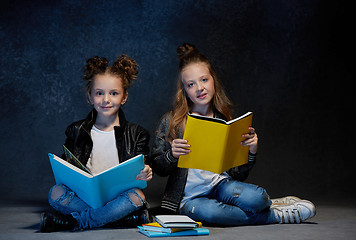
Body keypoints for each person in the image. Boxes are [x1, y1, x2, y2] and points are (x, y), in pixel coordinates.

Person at [150, 43, 316, 226]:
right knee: (212, 214)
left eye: (204, 80)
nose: (199, 88)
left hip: (221, 185)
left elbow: (237, 174)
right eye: (191, 84)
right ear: (184, 91)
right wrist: (172, 155)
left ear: (213, 80)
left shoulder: (224, 119)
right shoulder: (172, 120)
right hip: (190, 198)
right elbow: (158, 166)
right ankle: (275, 216)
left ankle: (265, 204)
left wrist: (251, 151)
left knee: (258, 197)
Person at [40, 55, 153, 232]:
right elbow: (66, 167)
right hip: (85, 196)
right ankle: (114, 219)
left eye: (113, 93)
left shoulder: (137, 133)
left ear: (124, 97)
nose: (106, 99)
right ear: (90, 97)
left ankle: (78, 222)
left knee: (137, 196)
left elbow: (144, 166)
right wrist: (67, 166)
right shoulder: (76, 130)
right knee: (55, 193)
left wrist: (146, 171)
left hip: (118, 197)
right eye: (99, 93)